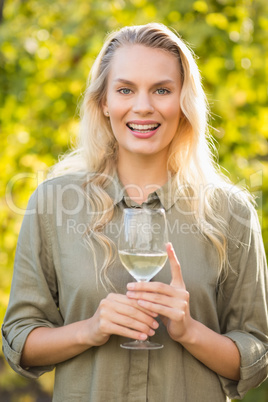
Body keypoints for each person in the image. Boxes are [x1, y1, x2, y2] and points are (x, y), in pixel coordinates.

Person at [2, 23, 268, 402]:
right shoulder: (51, 204)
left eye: (162, 90)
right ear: (104, 102)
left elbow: (256, 355)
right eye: (126, 89)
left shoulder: (231, 212)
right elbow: (19, 340)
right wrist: (90, 329)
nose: (143, 106)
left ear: (183, 101)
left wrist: (189, 330)